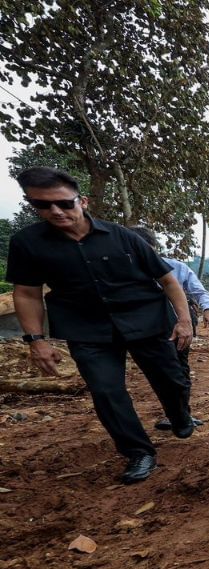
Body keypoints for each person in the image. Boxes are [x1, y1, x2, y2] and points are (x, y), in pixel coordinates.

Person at [5, 167, 195, 483]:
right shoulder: (28, 244)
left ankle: (179, 415)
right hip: (86, 329)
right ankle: (138, 452)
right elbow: (26, 293)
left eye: (64, 203)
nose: (55, 211)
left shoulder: (124, 237)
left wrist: (184, 321)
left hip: (145, 320)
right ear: (32, 205)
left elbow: (167, 279)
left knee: (172, 380)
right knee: (106, 391)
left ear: (84, 202)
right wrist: (36, 340)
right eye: (42, 205)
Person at [132, 225, 209, 430]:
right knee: (158, 372)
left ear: (152, 248)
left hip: (177, 326)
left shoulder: (176, 267)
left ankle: (182, 415)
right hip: (143, 329)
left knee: (179, 368)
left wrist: (208, 309)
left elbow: (199, 292)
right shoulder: (124, 272)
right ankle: (175, 414)